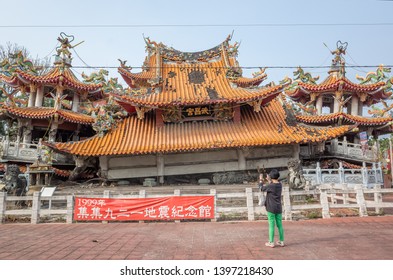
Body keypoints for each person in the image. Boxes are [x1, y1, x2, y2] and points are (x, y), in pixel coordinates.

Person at [259, 169, 284, 248]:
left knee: (271, 225)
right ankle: (281, 241)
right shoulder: (280, 184)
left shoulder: (270, 186)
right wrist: (270, 180)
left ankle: (271, 242)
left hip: (271, 208)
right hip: (278, 208)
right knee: (280, 225)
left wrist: (260, 180)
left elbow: (261, 188)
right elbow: (273, 186)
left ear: (271, 176)